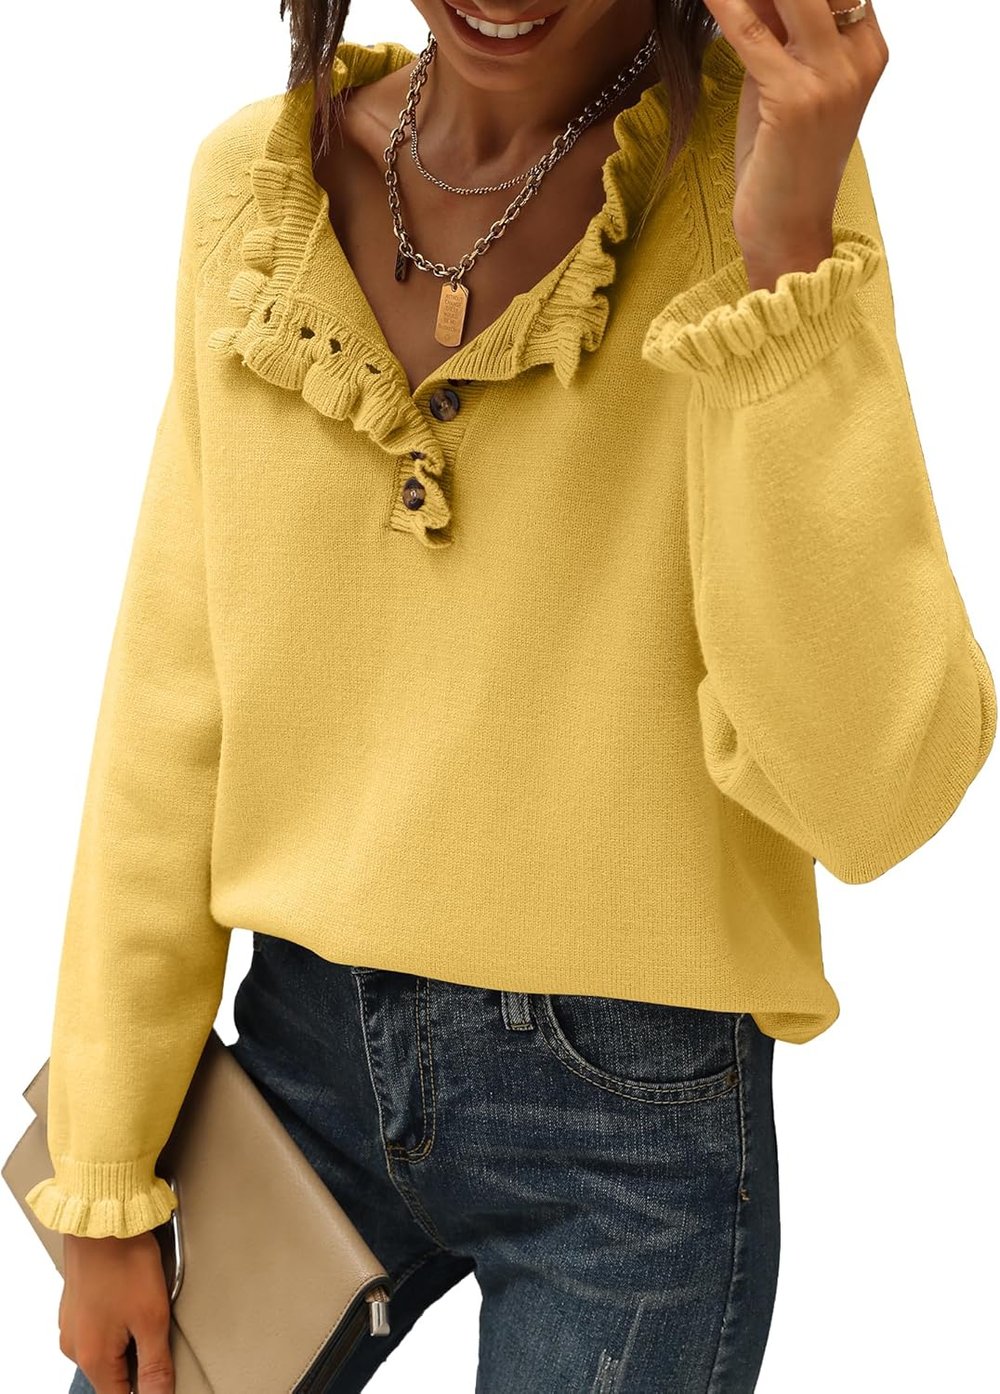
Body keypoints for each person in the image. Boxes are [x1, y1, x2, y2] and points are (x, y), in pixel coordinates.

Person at [27, 1, 994, 1391]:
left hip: (635, 1127)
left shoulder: (754, 185)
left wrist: (782, 255)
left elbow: (879, 793)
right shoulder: (254, 186)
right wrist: (104, 1168)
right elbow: (171, 697)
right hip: (300, 1067)